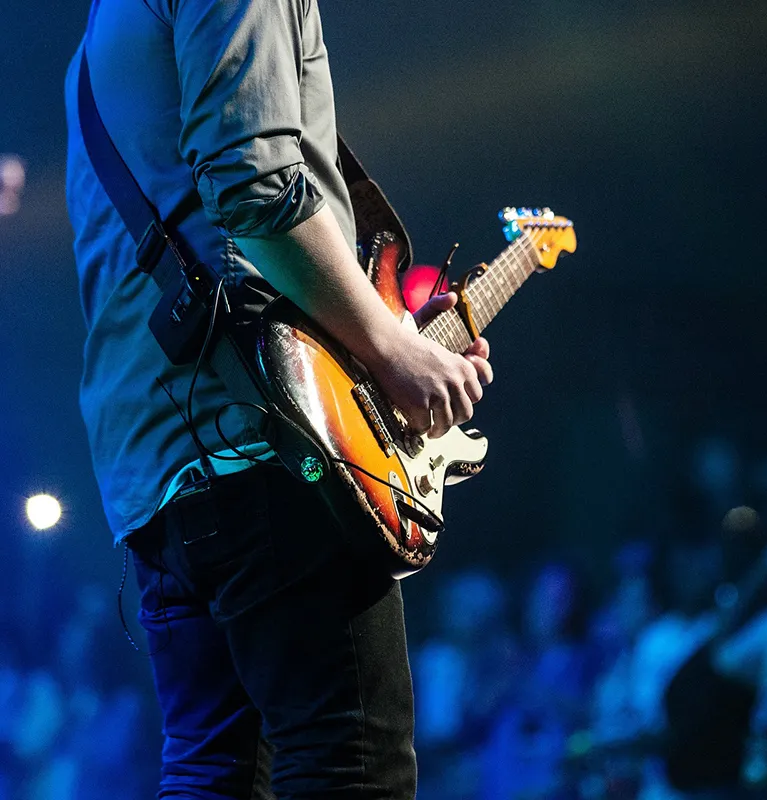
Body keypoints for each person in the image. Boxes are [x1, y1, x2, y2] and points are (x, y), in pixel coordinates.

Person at [64, 0, 493, 797]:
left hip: (159, 467)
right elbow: (256, 192)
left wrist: (384, 327)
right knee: (351, 766)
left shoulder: (105, 24)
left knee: (211, 776)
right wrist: (392, 347)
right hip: (270, 442)